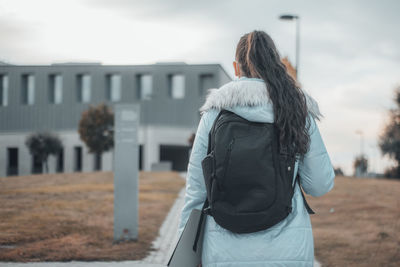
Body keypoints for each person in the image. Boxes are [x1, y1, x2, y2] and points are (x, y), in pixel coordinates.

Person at [177, 30, 335, 267]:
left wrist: (185, 255)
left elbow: (196, 192)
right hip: (287, 251)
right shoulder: (297, 112)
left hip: (224, 253)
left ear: (236, 67)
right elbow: (319, 185)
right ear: (276, 64)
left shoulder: (215, 113)